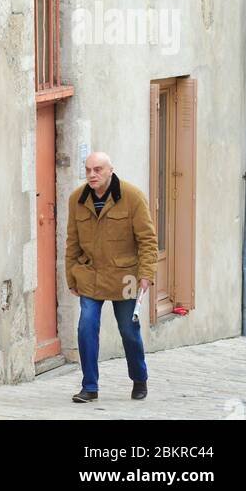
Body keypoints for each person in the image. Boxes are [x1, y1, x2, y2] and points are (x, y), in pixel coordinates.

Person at [65, 152, 158, 403]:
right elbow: (72, 242)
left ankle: (139, 378)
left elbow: (147, 240)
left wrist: (146, 274)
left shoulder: (132, 197)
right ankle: (90, 386)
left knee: (129, 331)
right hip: (90, 276)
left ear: (110, 170)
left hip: (125, 276)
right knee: (86, 326)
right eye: (88, 170)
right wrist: (71, 277)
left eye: (97, 170)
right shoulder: (77, 199)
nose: (91, 175)